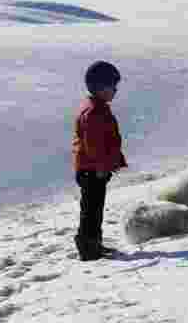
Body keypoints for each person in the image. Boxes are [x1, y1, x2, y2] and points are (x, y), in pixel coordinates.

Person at [71, 60, 128, 261]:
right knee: (91, 210)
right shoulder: (94, 112)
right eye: (112, 86)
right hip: (92, 170)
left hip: (92, 169)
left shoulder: (98, 107)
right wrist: (102, 168)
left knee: (94, 208)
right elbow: (93, 145)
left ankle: (94, 244)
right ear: (100, 87)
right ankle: (88, 248)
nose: (115, 90)